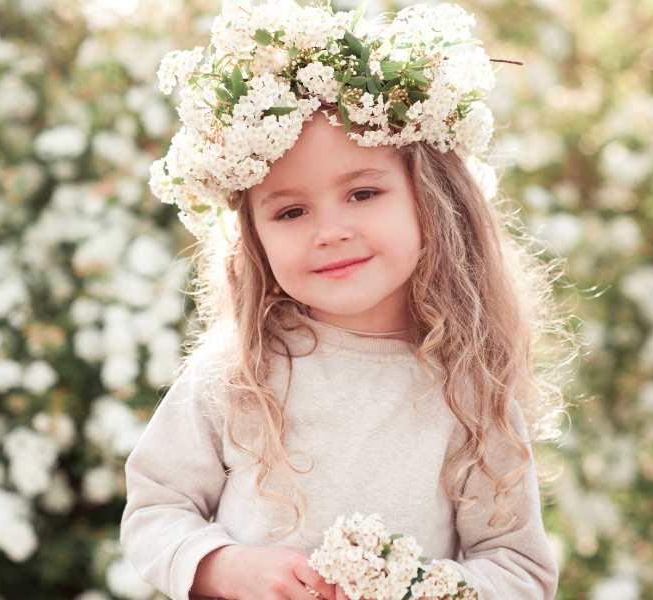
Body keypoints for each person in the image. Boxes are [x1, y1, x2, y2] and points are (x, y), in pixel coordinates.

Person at [120, 1, 578, 599]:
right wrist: (226, 567)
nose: (329, 230)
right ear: (256, 237)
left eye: (362, 193)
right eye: (290, 210)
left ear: (431, 200)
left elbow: (517, 568)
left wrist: (420, 589)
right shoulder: (238, 373)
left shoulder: (466, 384)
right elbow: (156, 512)